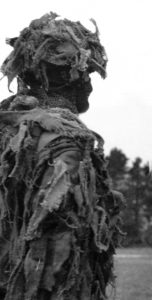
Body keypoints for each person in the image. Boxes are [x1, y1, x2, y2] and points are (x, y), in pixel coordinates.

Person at [0, 13, 124, 300]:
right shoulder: (66, 142)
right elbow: (56, 249)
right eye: (87, 73)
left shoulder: (11, 123)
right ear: (76, 78)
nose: (89, 85)